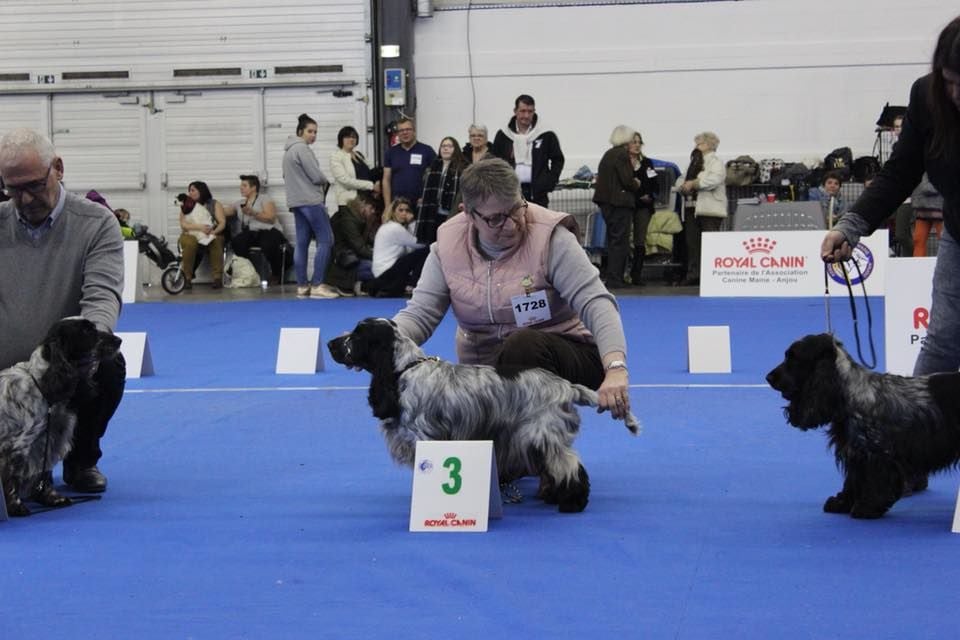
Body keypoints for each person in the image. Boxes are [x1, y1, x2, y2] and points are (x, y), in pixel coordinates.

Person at [821, 15, 960, 493]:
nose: (956, 92)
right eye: (950, 80)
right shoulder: (926, 97)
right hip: (959, 237)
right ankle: (913, 460)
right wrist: (852, 227)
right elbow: (900, 172)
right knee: (941, 342)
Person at [392, 157, 631, 421]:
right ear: (468, 214)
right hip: (485, 369)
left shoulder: (552, 238)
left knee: (523, 344)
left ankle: (536, 443)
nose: (512, 223)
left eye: (517, 208)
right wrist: (382, 339)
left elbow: (596, 302)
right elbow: (420, 315)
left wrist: (616, 367)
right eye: (496, 219)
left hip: (567, 356)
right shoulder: (446, 246)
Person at [0, 127, 125, 494]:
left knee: (110, 365)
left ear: (58, 168)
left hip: (59, 360)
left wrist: (90, 345)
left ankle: (80, 459)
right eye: (12, 188)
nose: (23, 198)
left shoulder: (97, 224)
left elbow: (102, 296)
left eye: (33, 185)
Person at [282, 113, 339, 299]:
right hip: (312, 202)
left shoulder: (288, 152)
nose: (313, 135)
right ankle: (317, 284)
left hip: (296, 203)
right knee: (326, 240)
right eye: (310, 131)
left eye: (315, 132)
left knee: (302, 243)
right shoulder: (303, 149)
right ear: (300, 132)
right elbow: (316, 176)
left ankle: (302, 286)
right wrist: (326, 179)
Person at [491, 94, 565, 207]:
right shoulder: (503, 134)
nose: (526, 115)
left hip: (537, 195)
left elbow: (558, 159)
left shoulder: (546, 134)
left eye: (530, 111)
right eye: (523, 111)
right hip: (510, 194)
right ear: (515, 111)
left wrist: (549, 181)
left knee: (537, 224)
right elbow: (494, 162)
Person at [593, 125, 642, 289]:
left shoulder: (609, 154)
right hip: (619, 203)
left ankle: (614, 277)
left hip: (607, 204)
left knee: (614, 241)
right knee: (619, 242)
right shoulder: (622, 154)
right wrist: (636, 182)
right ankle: (615, 278)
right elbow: (627, 180)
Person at [677, 132, 727, 287]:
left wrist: (694, 184)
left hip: (710, 210)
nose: (696, 146)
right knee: (692, 244)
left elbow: (714, 180)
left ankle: (712, 276)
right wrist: (682, 186)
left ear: (709, 145)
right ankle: (693, 275)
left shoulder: (716, 162)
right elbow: (681, 179)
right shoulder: (693, 163)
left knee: (710, 244)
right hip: (692, 208)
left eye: (699, 143)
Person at [223, 174, 290, 286]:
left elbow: (271, 218)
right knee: (237, 243)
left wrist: (253, 213)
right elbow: (224, 212)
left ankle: (276, 273)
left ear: (253, 187)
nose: (241, 188)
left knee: (268, 244)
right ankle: (250, 272)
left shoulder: (265, 199)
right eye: (241, 186)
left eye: (244, 186)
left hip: (269, 230)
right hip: (251, 232)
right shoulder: (239, 203)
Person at [368, 197, 428, 297]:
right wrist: (412, 222)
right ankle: (412, 284)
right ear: (393, 212)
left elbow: (409, 249)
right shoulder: (395, 228)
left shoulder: (388, 226)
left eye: (407, 210)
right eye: (400, 210)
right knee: (427, 250)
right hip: (386, 272)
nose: (404, 213)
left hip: (382, 274)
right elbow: (418, 244)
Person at [414, 136, 466, 245]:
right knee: (432, 245)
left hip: (452, 213)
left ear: (455, 149)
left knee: (447, 244)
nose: (446, 149)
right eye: (443, 146)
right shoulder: (432, 168)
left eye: (450, 146)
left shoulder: (463, 168)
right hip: (432, 213)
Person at [178, 180, 226, 290]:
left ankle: (217, 278)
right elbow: (183, 224)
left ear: (201, 190)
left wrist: (213, 232)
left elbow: (222, 222)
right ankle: (187, 278)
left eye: (193, 190)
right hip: (191, 233)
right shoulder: (185, 205)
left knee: (216, 240)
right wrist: (199, 227)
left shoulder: (214, 204)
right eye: (189, 191)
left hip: (211, 232)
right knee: (190, 243)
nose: (190, 193)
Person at [324, 194, 376, 297]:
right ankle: (346, 283)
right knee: (377, 268)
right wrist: (380, 258)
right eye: (371, 208)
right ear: (363, 205)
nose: (373, 211)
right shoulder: (348, 221)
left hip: (347, 260)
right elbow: (360, 248)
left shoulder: (355, 219)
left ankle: (358, 285)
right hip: (343, 263)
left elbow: (363, 244)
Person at [382, 116, 436, 212]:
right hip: (397, 206)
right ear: (398, 134)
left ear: (414, 131)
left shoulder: (427, 150)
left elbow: (436, 177)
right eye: (401, 130)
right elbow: (386, 180)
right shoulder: (390, 153)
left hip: (420, 205)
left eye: (408, 129)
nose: (405, 132)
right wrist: (387, 206)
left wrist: (427, 198)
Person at [629, 131, 660, 285]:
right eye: (633, 142)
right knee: (622, 240)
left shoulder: (647, 163)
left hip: (643, 207)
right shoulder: (622, 162)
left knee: (640, 241)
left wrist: (649, 195)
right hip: (626, 205)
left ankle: (637, 275)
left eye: (639, 142)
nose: (636, 145)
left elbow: (655, 185)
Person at [329, 125, 378, 214]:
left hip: (366, 200)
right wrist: (371, 186)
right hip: (349, 202)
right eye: (347, 137)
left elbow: (371, 172)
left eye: (354, 137)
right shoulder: (336, 156)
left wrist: (378, 182)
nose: (351, 139)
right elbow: (345, 181)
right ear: (341, 139)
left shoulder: (359, 155)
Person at [911, 174, 944, 257]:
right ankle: (918, 268)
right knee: (918, 240)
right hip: (922, 205)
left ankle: (949, 268)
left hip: (940, 204)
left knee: (944, 239)